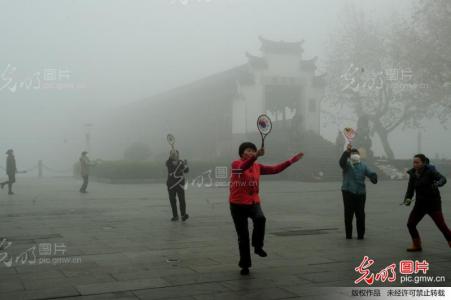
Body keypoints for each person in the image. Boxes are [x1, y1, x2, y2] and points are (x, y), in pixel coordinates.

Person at [229, 142, 304, 276]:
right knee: (243, 237)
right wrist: (256, 156)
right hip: (237, 204)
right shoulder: (236, 164)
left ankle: (258, 246)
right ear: (241, 153)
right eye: (249, 150)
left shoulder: (257, 166)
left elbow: (275, 169)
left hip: (253, 202)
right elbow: (242, 167)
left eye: (253, 150)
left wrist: (290, 161)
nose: (251, 152)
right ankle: (245, 265)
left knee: (260, 218)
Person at [403, 154, 450, 251]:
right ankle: (417, 245)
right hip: (420, 205)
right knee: (411, 224)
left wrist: (437, 184)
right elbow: (410, 189)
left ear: (423, 163)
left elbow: (443, 179)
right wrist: (407, 199)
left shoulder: (431, 171)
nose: (415, 164)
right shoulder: (413, 174)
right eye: (414, 162)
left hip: (433, 204)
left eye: (417, 162)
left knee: (442, 226)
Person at [339, 143, 378, 240]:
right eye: (352, 154)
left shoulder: (363, 166)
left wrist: (374, 177)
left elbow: (371, 173)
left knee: (360, 214)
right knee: (348, 214)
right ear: (350, 156)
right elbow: (341, 162)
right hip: (348, 192)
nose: (355, 156)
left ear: (359, 156)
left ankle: (361, 235)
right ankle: (349, 235)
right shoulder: (347, 165)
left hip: (360, 193)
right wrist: (347, 152)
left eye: (356, 154)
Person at [166, 149, 189, 222]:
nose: (174, 155)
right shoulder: (168, 162)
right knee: (172, 200)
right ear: (170, 155)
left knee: (182, 200)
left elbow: (186, 170)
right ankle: (175, 216)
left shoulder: (181, 162)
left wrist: (186, 165)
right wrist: (173, 161)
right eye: (172, 154)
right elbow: (170, 169)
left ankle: (183, 215)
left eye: (176, 154)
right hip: (171, 184)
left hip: (180, 184)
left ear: (178, 155)